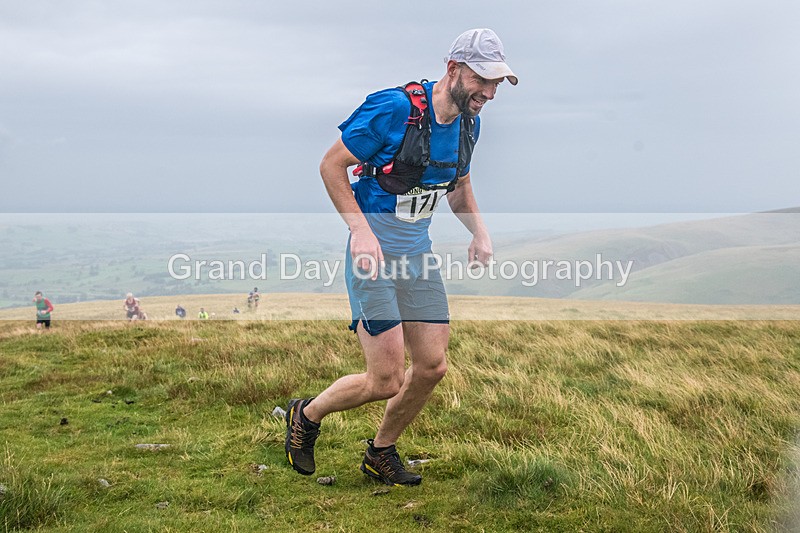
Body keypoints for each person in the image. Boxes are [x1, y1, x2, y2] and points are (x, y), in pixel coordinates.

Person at [284, 29, 516, 486]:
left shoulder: (470, 123)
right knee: (385, 379)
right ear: (454, 70)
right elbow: (331, 165)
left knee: (432, 366)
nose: (489, 93)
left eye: (497, 84)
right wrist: (360, 231)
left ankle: (381, 452)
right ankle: (306, 415)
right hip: (372, 254)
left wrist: (480, 231)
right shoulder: (393, 109)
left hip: (418, 256)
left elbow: (460, 184)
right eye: (483, 80)